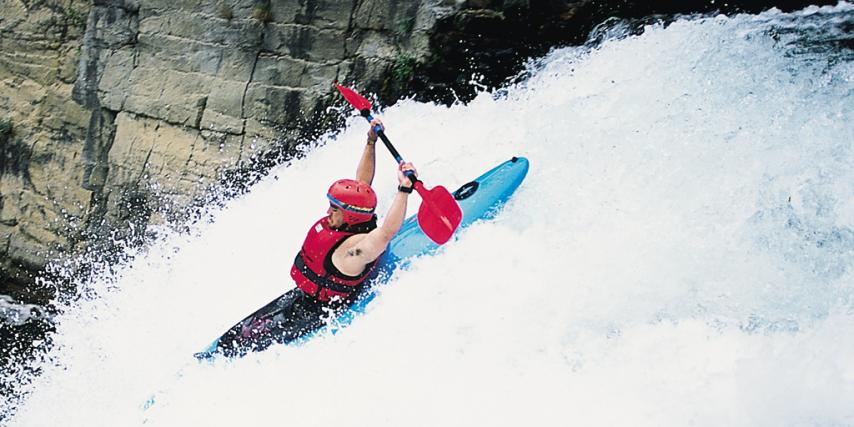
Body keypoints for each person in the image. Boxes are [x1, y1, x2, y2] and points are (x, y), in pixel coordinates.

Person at [212, 119, 416, 357]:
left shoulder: (352, 252)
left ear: (350, 215)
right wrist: (370, 141)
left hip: (322, 310)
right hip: (303, 297)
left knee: (238, 348)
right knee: (232, 342)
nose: (329, 212)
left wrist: (404, 190)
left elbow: (387, 233)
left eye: (335, 209)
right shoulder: (357, 218)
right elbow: (362, 183)